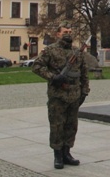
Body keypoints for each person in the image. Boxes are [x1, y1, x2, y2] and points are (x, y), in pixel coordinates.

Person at [32, 26, 90, 169]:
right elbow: (36, 66)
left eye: (70, 32)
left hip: (74, 95)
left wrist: (84, 91)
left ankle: (67, 153)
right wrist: (53, 77)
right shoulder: (50, 50)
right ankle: (57, 155)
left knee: (71, 126)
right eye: (65, 32)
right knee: (57, 126)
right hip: (58, 95)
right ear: (58, 34)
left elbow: (84, 73)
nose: (68, 35)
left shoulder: (77, 52)